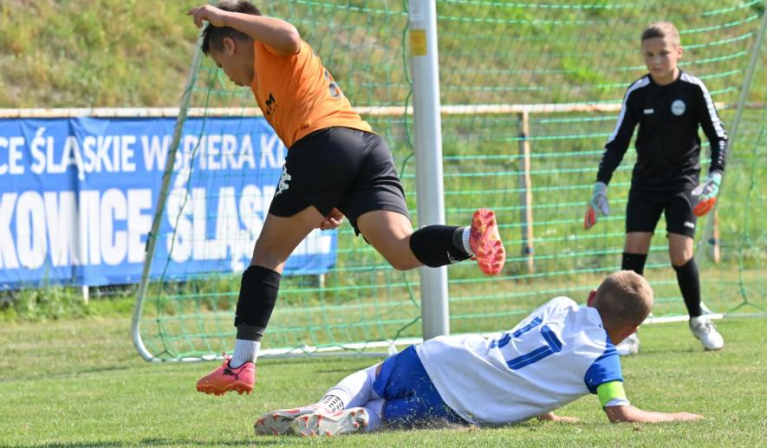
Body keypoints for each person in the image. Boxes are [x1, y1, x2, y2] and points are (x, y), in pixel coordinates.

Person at [186, 0, 506, 396]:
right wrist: (332, 198)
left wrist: (220, 17)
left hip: (324, 143)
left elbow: (289, 35)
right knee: (402, 252)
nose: (226, 76)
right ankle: (469, 240)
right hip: (366, 147)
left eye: (220, 64)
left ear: (230, 44)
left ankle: (240, 363)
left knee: (268, 254)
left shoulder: (271, 47)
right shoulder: (263, 83)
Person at [253, 270, 703, 437]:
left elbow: (526, 352)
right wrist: (681, 417)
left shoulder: (562, 306)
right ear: (632, 331)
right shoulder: (603, 359)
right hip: (459, 404)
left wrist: (547, 411)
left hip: (442, 354)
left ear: (591, 296)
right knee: (389, 414)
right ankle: (354, 422)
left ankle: (326, 405)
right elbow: (620, 414)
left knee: (371, 377)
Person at [584, 21, 727, 354]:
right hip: (645, 185)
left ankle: (697, 319)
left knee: (681, 253)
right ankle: (628, 331)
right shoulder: (638, 93)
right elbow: (617, 142)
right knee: (634, 250)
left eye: (663, 53)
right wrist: (600, 185)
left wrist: (715, 176)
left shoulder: (693, 90)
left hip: (683, 182)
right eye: (649, 54)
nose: (657, 60)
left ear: (678, 52)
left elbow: (718, 135)